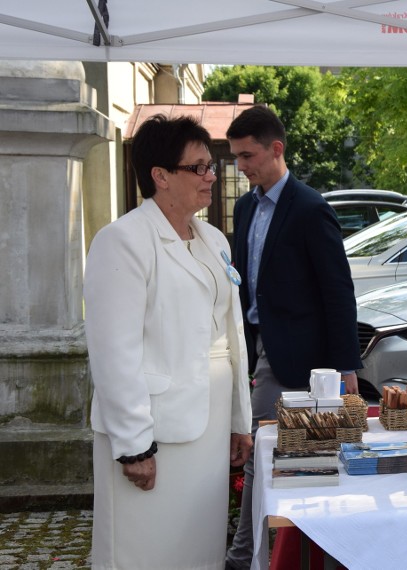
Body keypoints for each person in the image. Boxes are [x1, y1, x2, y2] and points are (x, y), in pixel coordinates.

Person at [84, 114, 253, 570]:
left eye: (210, 166)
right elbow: (113, 351)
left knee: (197, 550)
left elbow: (231, 335)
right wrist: (135, 444)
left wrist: (240, 419)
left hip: (210, 427)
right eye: (198, 167)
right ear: (160, 176)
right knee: (145, 551)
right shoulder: (123, 240)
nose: (211, 176)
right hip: (155, 431)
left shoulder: (213, 237)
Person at [224, 105, 363, 570]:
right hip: (253, 348)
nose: (240, 166)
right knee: (268, 459)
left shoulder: (309, 207)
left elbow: (338, 292)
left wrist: (347, 367)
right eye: (236, 157)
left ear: (275, 149)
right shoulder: (244, 207)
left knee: (271, 460)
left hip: (298, 360)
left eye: (247, 156)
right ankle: (259, 554)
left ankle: (245, 557)